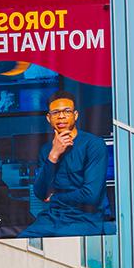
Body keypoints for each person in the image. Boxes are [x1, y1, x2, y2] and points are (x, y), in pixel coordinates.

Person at [21, 90, 115, 237]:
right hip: (53, 217)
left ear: (75, 115)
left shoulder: (93, 145)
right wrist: (54, 155)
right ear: (49, 118)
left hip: (86, 219)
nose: (61, 116)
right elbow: (40, 193)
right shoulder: (47, 150)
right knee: (23, 238)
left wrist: (56, 198)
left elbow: (91, 196)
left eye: (67, 111)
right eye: (56, 112)